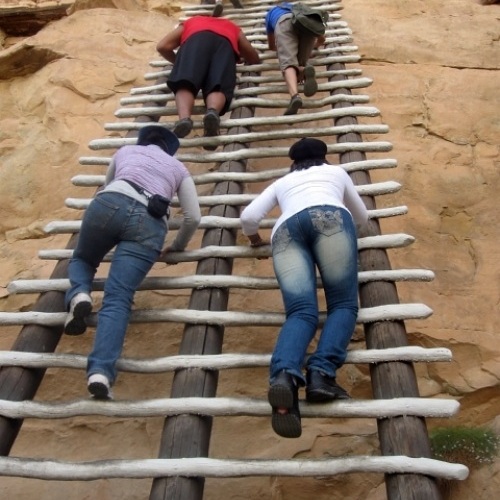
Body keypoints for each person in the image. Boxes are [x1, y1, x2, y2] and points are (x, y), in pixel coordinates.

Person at [240, 138, 368, 438]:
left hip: (285, 230)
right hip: (330, 217)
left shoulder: (282, 182)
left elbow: (248, 217)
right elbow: (363, 216)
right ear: (324, 157)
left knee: (300, 312)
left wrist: (254, 240)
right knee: (343, 305)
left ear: (292, 162)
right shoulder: (336, 173)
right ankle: (321, 374)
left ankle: (284, 376)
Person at [64, 125, 201, 399]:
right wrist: (176, 247)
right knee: (118, 298)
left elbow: (108, 183)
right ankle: (100, 372)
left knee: (83, 258)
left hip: (110, 202)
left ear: (143, 141)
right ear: (170, 149)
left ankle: (79, 293)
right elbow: (193, 216)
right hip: (149, 223)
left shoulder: (125, 150)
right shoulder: (178, 167)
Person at [156, 15, 260, 150]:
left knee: (185, 83)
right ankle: (212, 112)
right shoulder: (232, 27)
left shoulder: (192, 21)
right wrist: (243, 57)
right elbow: (252, 56)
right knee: (218, 84)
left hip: (194, 41)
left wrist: (180, 64)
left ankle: (184, 119)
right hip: (224, 45)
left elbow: (162, 46)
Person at [265, 2, 326, 115]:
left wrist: (284, 50)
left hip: (284, 23)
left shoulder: (271, 12)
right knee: (299, 63)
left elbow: (271, 46)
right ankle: (304, 70)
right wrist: (314, 47)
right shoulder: (301, 9)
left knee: (289, 64)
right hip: (306, 26)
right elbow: (321, 39)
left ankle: (295, 97)